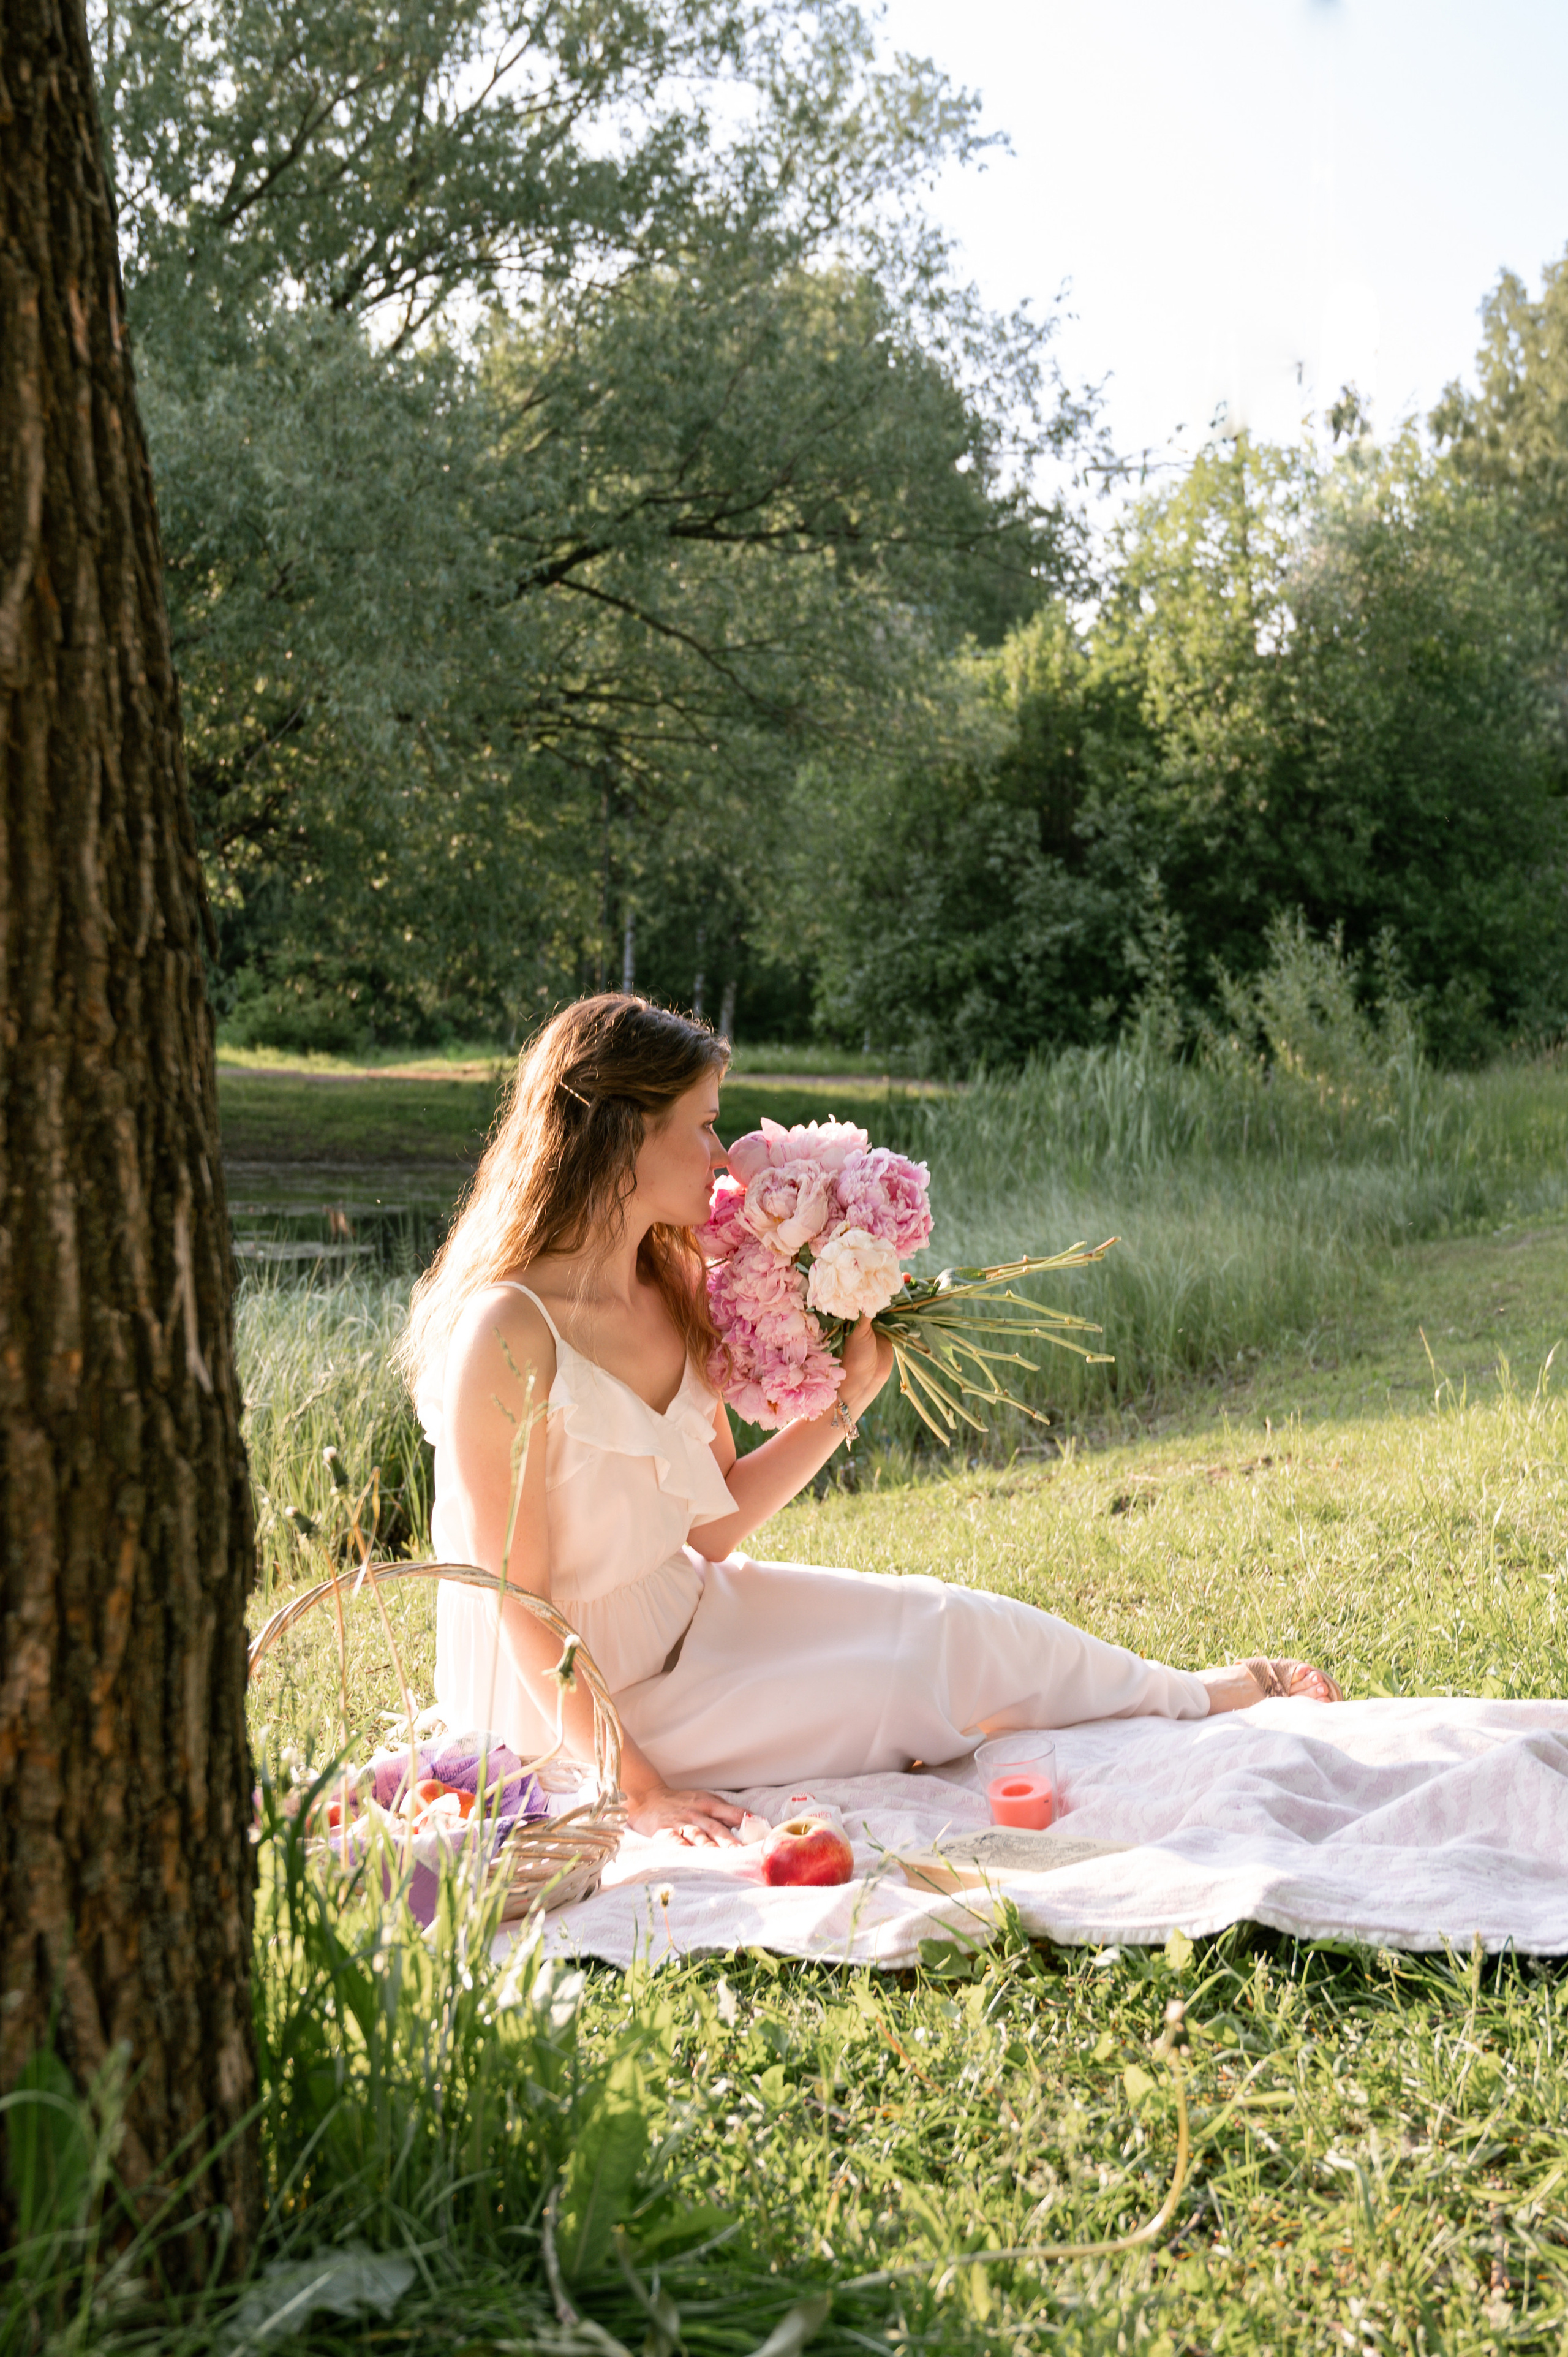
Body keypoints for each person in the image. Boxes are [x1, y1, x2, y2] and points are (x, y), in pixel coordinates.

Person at [400, 994, 1341, 1845]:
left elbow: (717, 1526)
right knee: (899, 1688)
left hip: (691, 1611)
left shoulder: (675, 1280)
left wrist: (848, 1394)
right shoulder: (509, 1330)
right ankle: (1193, 1702)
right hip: (576, 1707)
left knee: (944, 1623)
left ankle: (1192, 1695)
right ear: (622, 1137)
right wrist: (640, 1790)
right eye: (703, 1126)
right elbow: (514, 1603)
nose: (724, 1155)